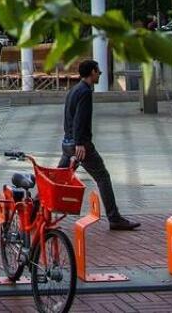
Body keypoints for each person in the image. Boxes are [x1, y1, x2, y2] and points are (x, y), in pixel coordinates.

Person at [59, 59, 139, 230]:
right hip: (81, 145)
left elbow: (68, 118)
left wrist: (69, 140)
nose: (100, 74)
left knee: (57, 180)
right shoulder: (85, 92)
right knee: (102, 177)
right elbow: (80, 119)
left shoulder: (74, 89)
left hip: (68, 143)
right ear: (92, 72)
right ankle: (114, 218)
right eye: (99, 72)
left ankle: (34, 209)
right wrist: (79, 143)